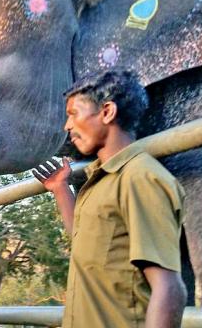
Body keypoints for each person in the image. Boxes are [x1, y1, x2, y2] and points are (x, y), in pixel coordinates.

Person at [34, 70, 186, 328]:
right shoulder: (100, 179)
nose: (67, 126)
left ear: (107, 112)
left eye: (73, 114)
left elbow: (169, 289)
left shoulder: (140, 178)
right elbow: (85, 243)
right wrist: (61, 189)